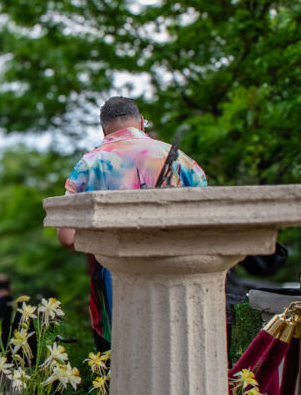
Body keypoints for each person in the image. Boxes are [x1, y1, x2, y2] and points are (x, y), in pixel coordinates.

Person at [57, 97, 207, 352]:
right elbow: (207, 219)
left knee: (118, 378)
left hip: (112, 290)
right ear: (141, 122)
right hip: (174, 284)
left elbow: (67, 237)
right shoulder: (178, 158)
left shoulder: (89, 164)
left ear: (104, 129)